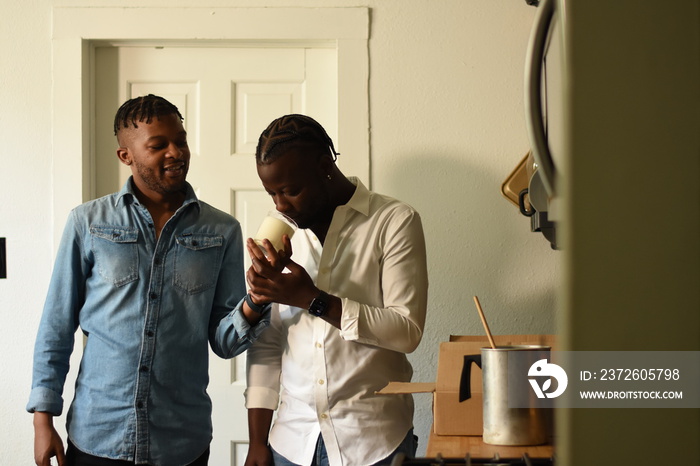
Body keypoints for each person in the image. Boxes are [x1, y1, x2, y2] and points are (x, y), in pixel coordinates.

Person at [27, 95, 270, 466]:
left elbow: (224, 342)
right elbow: (56, 326)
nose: (176, 152)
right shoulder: (87, 223)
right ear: (126, 155)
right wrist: (43, 421)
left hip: (181, 442)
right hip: (98, 436)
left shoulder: (222, 230)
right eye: (158, 145)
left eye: (181, 140)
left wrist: (256, 301)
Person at [242, 114, 429, 466]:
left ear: (325, 165)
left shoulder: (393, 221)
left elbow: (407, 332)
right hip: (291, 443)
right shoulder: (279, 234)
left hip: (373, 441)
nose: (281, 205)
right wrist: (257, 441)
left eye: (291, 190)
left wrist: (312, 300)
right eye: (272, 193)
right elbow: (266, 344)